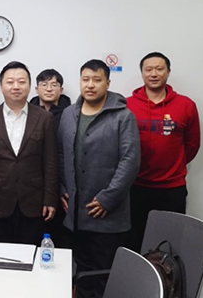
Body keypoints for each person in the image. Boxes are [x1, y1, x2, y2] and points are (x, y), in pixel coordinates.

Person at [58, 59, 140, 298]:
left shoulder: (123, 116)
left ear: (108, 83)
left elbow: (130, 160)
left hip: (107, 215)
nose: (90, 85)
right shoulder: (69, 114)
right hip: (75, 215)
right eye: (85, 79)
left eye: (97, 80)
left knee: (105, 276)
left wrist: (108, 198)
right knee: (82, 273)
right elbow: (61, 154)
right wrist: (62, 188)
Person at [0, 61, 58, 245]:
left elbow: (50, 162)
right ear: (1, 86)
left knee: (30, 254)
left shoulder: (44, 118)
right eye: (10, 82)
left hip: (33, 202)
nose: (16, 86)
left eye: (21, 81)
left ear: (30, 86)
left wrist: (50, 199)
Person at [126, 52, 201, 252]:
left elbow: (192, 144)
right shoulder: (127, 105)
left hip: (172, 188)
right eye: (148, 69)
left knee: (170, 246)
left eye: (159, 69)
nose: (154, 74)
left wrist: (173, 165)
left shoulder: (186, 105)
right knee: (134, 244)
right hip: (135, 187)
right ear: (142, 73)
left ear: (168, 72)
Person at [29, 68, 72, 248]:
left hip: (61, 183)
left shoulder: (71, 114)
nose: (49, 88)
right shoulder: (27, 112)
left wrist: (62, 186)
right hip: (32, 183)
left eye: (54, 85)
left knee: (59, 236)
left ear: (61, 89)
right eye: (44, 84)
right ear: (36, 89)